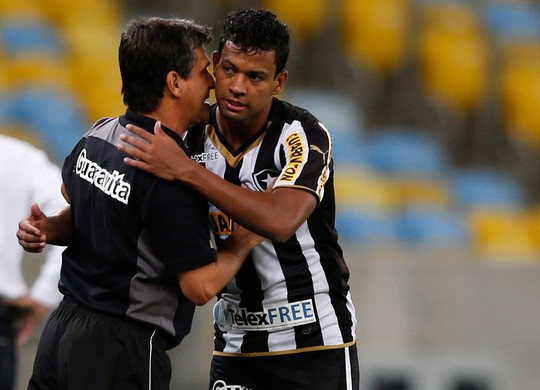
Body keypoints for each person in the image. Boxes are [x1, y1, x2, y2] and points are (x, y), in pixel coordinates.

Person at [117, 8, 359, 390]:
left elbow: (281, 221)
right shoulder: (189, 135)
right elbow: (124, 198)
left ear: (279, 82)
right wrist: (56, 224)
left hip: (314, 344)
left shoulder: (303, 134)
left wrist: (187, 171)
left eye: (255, 77)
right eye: (229, 70)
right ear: (214, 64)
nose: (237, 86)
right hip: (236, 345)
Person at [15, 16, 262, 390]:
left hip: (62, 333)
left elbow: (80, 207)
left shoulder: (97, 135)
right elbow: (198, 286)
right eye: (201, 71)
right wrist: (240, 243)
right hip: (122, 347)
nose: (212, 82)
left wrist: (50, 228)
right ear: (174, 83)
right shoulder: (169, 177)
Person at [0, 134, 67, 390]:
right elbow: (77, 217)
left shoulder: (20, 158)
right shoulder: (18, 157)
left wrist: (45, 294)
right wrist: (45, 295)